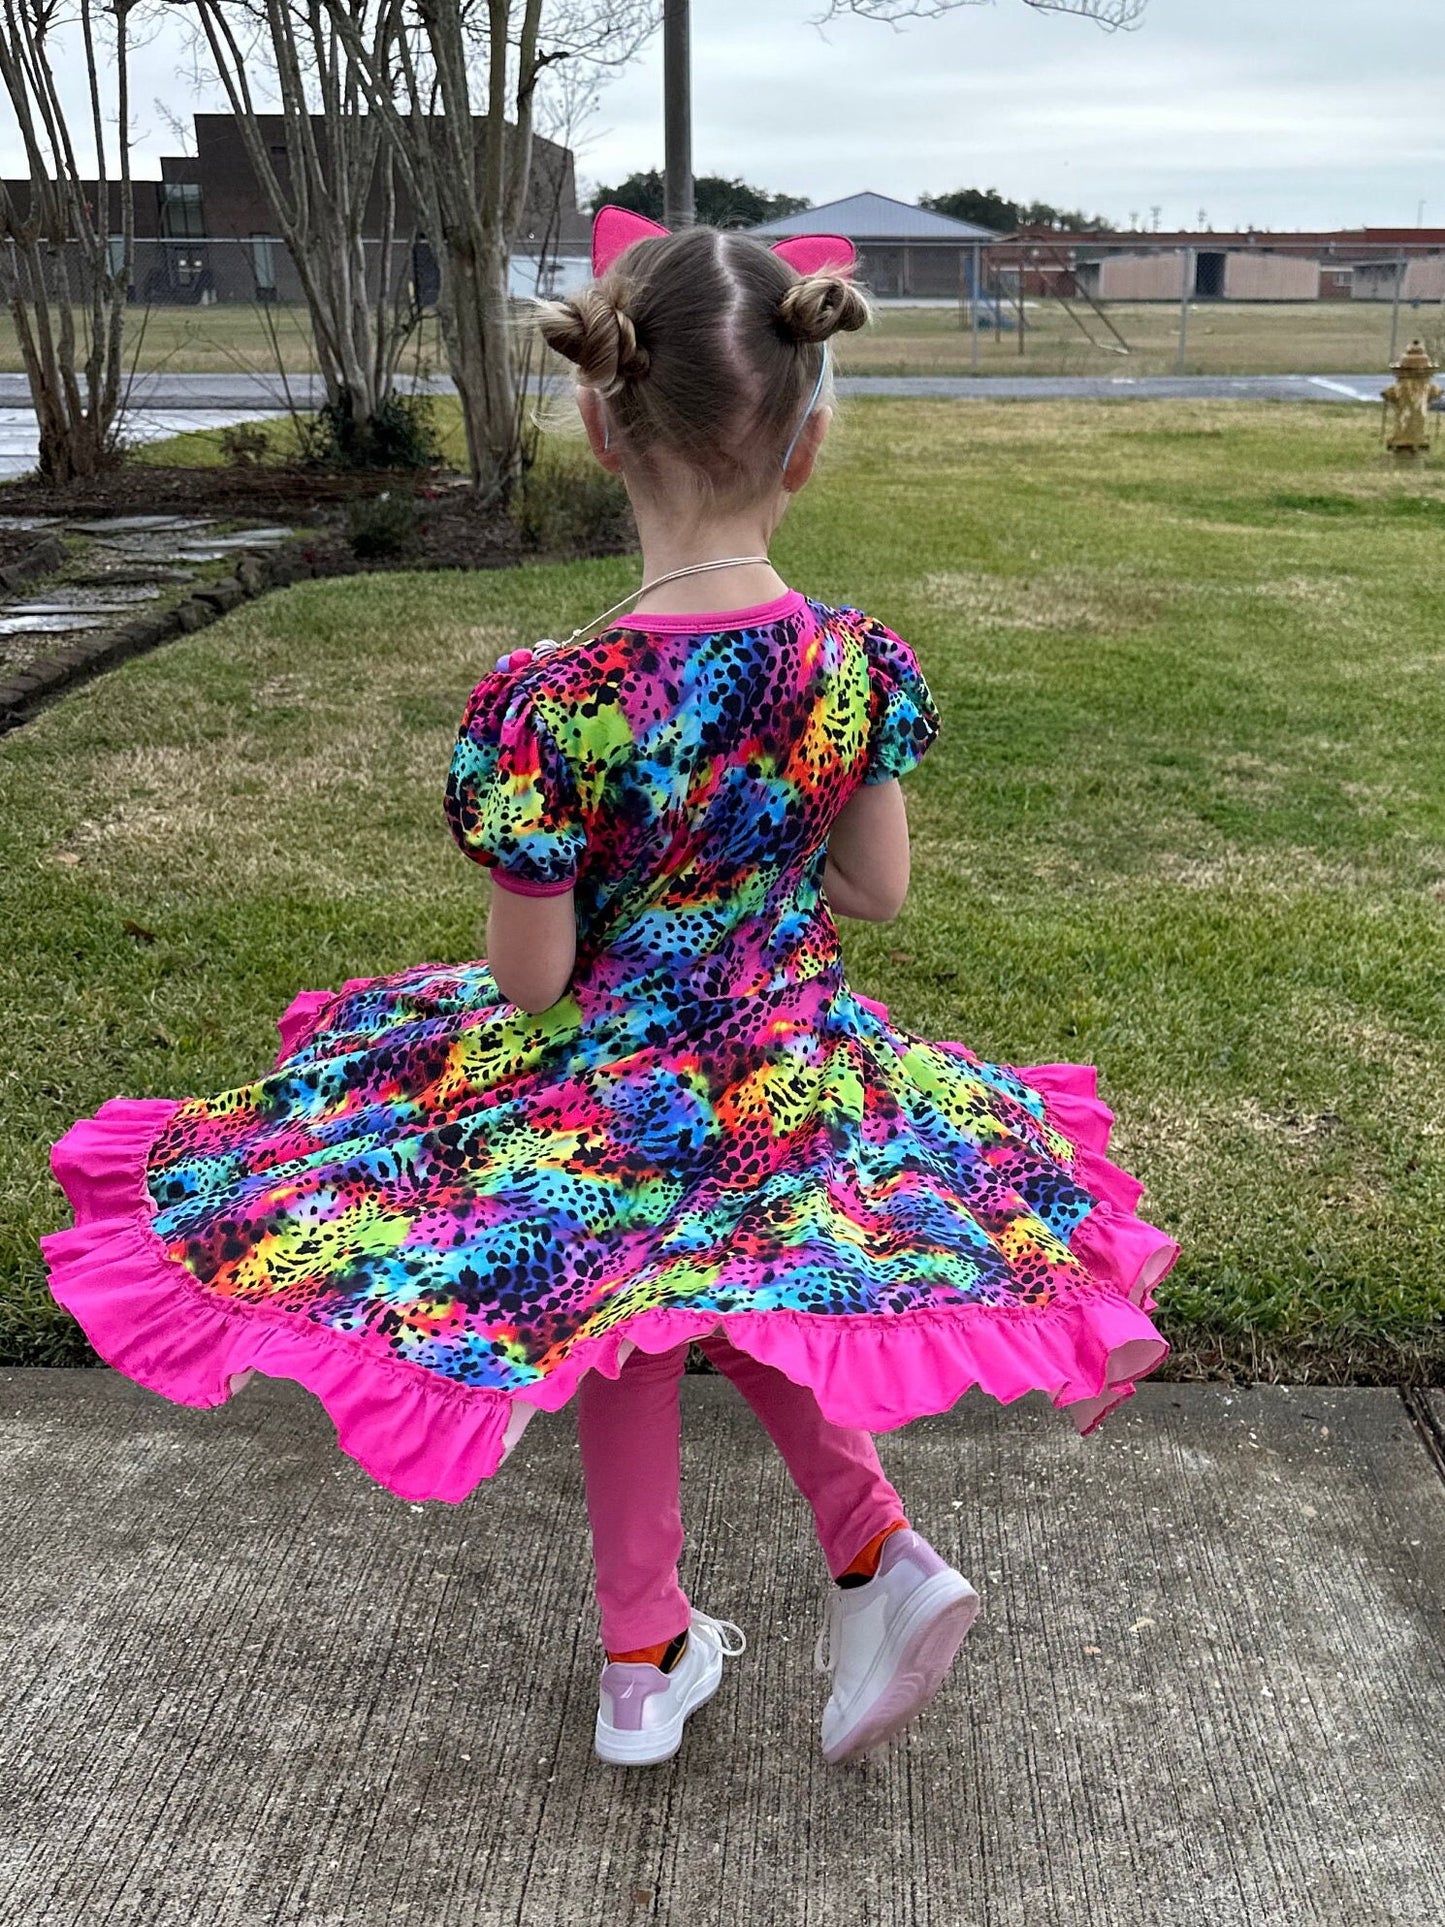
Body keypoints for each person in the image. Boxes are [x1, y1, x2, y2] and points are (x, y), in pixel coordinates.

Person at [42, 207, 1176, 1772]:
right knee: (755, 1268)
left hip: (618, 1085)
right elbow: (877, 893)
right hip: (789, 1062)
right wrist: (756, 884)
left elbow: (535, 973)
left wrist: (580, 925)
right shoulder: (848, 666)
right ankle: (869, 1553)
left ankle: (648, 1656)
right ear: (808, 439)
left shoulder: (555, 700)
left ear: (595, 422)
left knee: (616, 1309)